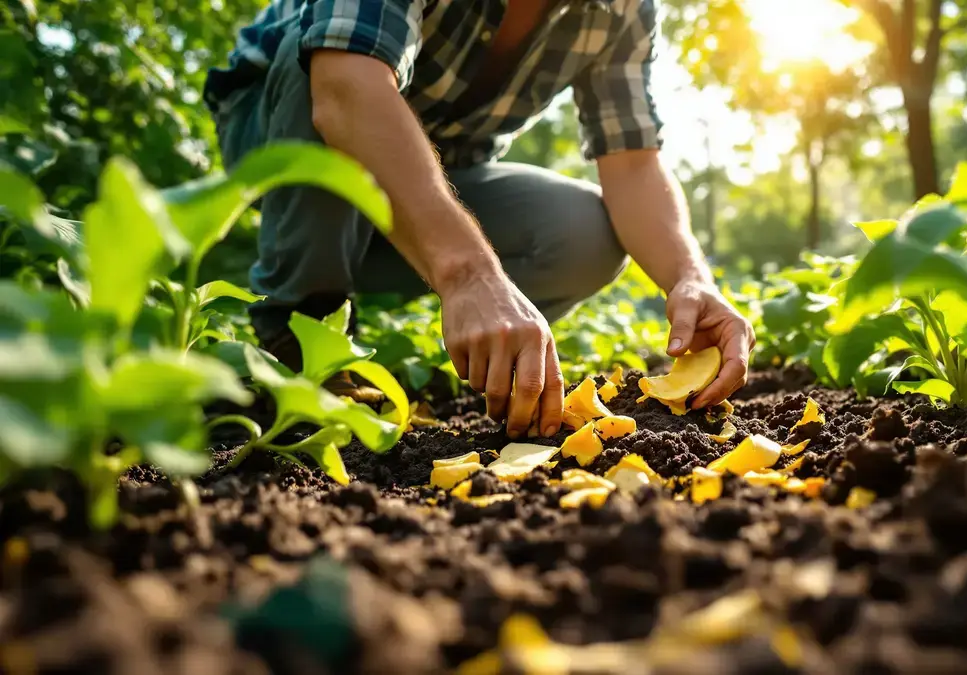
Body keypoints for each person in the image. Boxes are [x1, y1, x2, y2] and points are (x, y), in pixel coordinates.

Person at [203, 0, 755, 440]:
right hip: (287, 123)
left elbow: (633, 163)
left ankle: (470, 346)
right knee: (331, 58)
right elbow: (344, 92)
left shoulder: (622, 8)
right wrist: (468, 273)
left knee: (583, 233)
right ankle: (299, 342)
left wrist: (691, 277)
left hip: (439, 168)